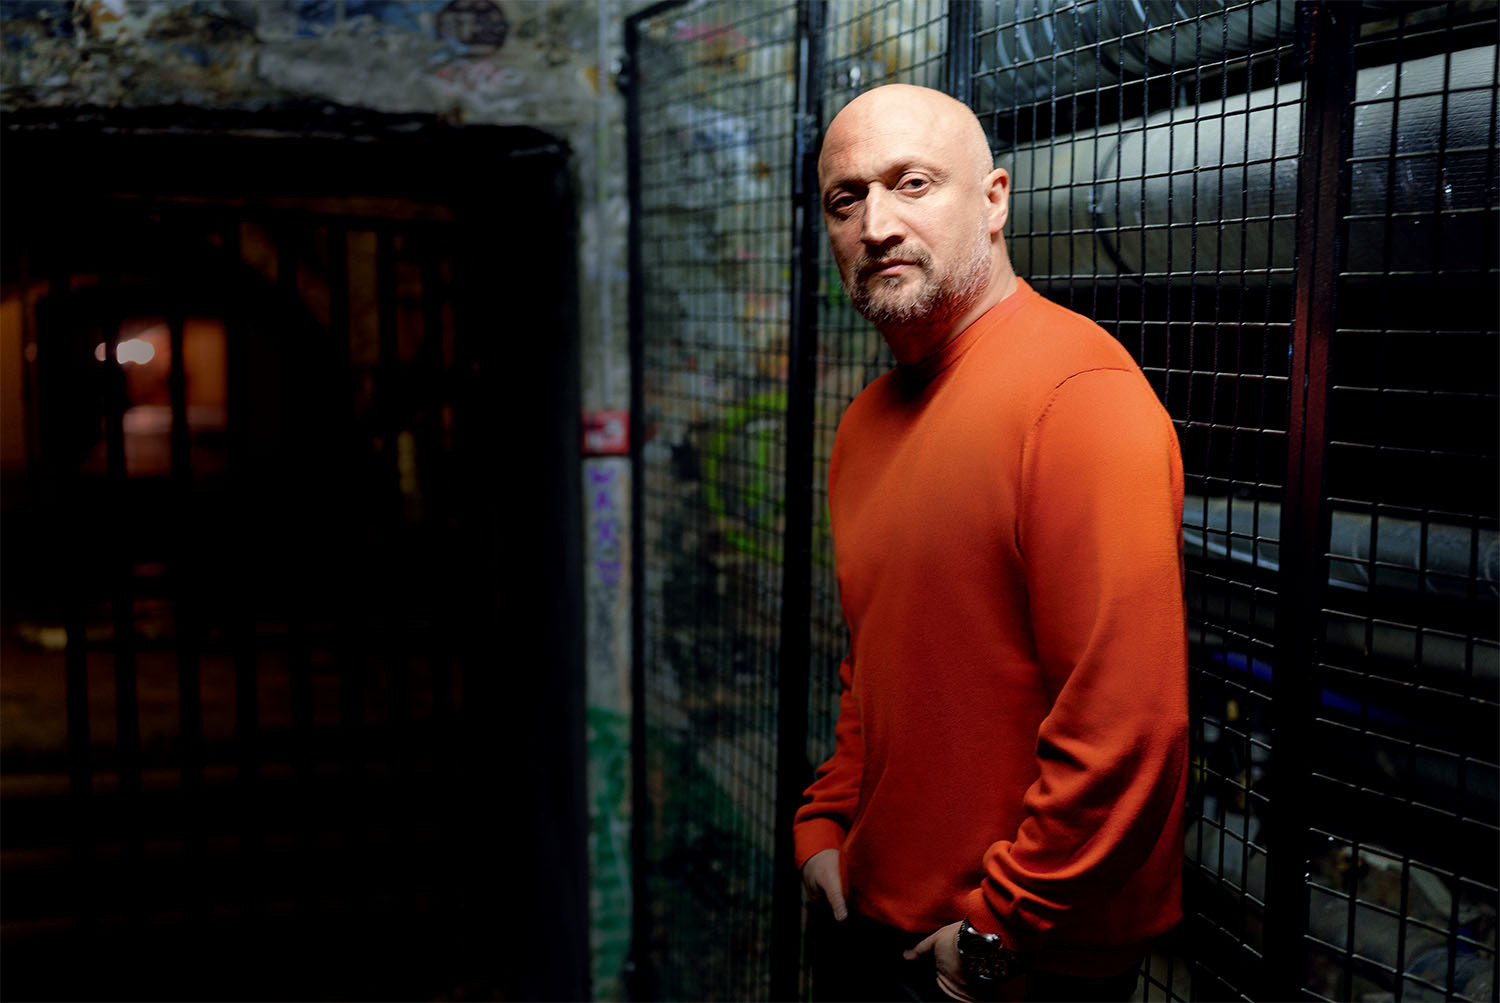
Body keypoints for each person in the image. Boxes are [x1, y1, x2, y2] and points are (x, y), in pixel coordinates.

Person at [794, 84, 1189, 1003]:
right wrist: (826, 821)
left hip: (1009, 957)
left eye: (913, 184)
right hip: (871, 910)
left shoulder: (1079, 394)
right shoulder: (865, 423)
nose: (877, 225)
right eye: (847, 200)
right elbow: (877, 660)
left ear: (994, 199)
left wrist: (1001, 924)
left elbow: (1127, 725)